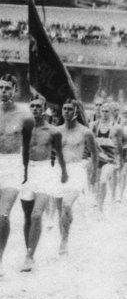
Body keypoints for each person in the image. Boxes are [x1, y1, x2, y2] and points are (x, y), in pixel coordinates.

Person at [0, 74, 33, 276]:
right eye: (1, 87)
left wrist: (27, 171)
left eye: (7, 88)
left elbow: (27, 146)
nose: (4, 91)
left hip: (13, 164)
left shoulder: (25, 117)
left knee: (4, 214)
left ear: (15, 90)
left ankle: (0, 258)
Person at [18, 96, 67, 271]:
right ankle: (29, 250)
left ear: (44, 108)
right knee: (27, 217)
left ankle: (29, 255)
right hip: (27, 171)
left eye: (39, 106)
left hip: (46, 170)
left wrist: (64, 173)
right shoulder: (24, 128)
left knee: (37, 215)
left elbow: (60, 154)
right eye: (32, 106)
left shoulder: (53, 131)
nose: (35, 109)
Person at [55, 100, 98, 254]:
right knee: (60, 209)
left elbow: (95, 152)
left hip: (76, 170)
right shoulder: (57, 131)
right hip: (58, 171)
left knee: (67, 205)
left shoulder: (85, 131)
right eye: (64, 109)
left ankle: (64, 241)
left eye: (69, 109)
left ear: (76, 112)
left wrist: (94, 173)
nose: (66, 112)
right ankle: (63, 237)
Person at [91, 102, 124, 214]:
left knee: (103, 181)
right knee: (97, 182)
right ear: (100, 112)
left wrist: (121, 160)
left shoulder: (116, 127)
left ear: (111, 112)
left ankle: (101, 208)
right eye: (103, 111)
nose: (104, 113)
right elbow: (90, 142)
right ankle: (98, 201)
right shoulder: (94, 125)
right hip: (97, 158)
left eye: (107, 111)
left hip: (110, 158)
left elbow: (119, 145)